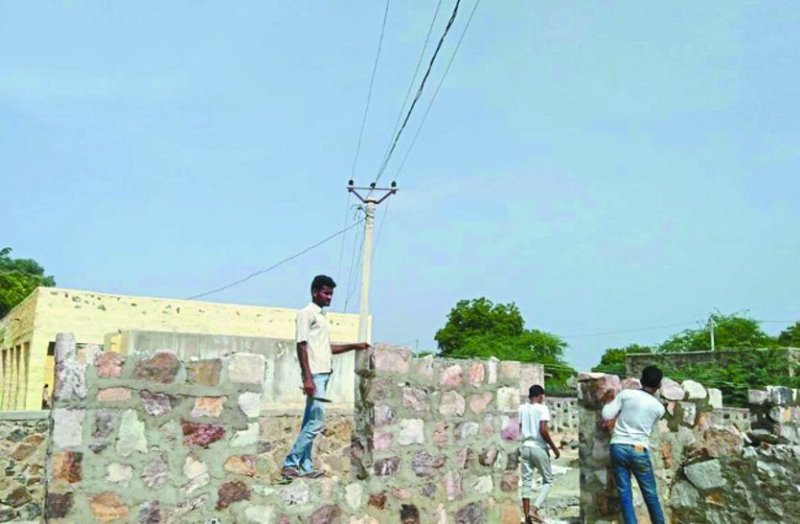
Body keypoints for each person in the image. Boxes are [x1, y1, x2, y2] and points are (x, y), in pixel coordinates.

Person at [280, 275, 370, 480]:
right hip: (315, 376)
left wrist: (355, 346)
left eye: (331, 293)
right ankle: (290, 463)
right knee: (316, 423)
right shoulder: (306, 314)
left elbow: (327, 349)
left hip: (323, 374)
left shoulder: (321, 317)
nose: (329, 297)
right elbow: (301, 345)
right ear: (315, 292)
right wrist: (308, 378)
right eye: (326, 293)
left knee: (309, 423)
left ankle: (305, 466)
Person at [601, 366, 667, 524]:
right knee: (650, 494)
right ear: (658, 386)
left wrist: (610, 400)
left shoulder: (626, 395)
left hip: (618, 445)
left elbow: (607, 414)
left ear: (641, 380)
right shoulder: (659, 408)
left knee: (625, 494)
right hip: (639, 448)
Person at [518, 384, 560, 524]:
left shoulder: (522, 408)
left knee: (526, 481)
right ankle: (534, 509)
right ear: (540, 395)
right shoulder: (542, 408)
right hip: (538, 447)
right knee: (548, 480)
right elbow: (543, 430)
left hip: (525, 447)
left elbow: (519, 428)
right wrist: (554, 447)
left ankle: (527, 517)